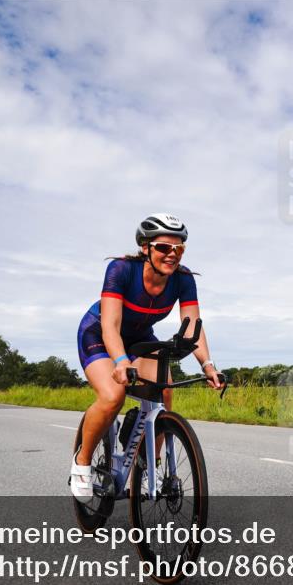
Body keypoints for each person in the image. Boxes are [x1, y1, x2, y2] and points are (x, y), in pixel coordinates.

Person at [70, 213, 222, 500]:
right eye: (164, 247)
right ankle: (82, 461)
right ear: (145, 248)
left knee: (164, 391)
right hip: (99, 333)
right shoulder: (121, 270)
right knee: (113, 396)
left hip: (140, 338)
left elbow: (193, 326)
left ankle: (149, 462)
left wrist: (208, 365)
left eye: (179, 249)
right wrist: (120, 362)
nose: (172, 254)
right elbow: (111, 325)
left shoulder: (183, 279)